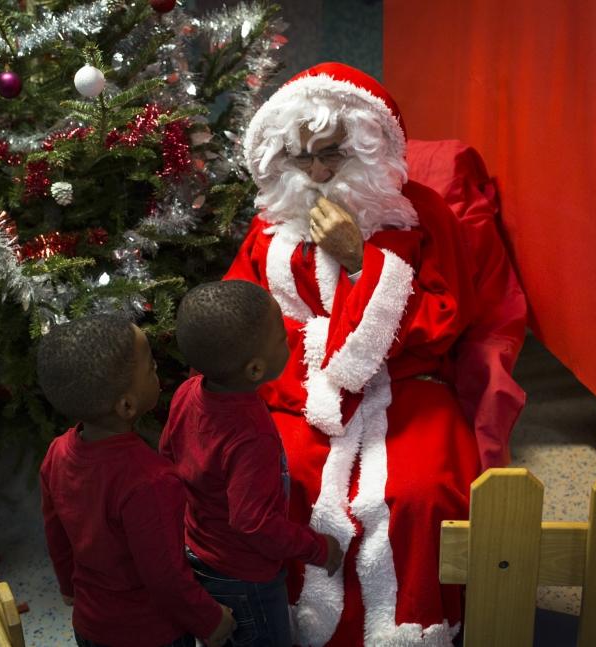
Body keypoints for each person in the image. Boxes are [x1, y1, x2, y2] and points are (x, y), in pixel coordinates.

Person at [224, 62, 490, 646]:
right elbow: (244, 325)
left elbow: (446, 319)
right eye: (301, 157)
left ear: (367, 148)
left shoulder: (419, 213)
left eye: (333, 154)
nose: (317, 172)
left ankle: (412, 631)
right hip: (292, 390)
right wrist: (307, 378)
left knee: (421, 493)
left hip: (409, 383)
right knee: (281, 481)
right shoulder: (267, 228)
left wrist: (357, 260)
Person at [160, 280, 344, 646]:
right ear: (256, 369)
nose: (288, 339)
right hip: (245, 578)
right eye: (281, 337)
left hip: (197, 548)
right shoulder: (250, 435)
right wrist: (319, 548)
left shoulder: (187, 392)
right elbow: (253, 523)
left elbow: (168, 460)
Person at [37, 314, 236, 647]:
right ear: (127, 405)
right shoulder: (152, 481)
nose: (157, 371)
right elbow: (166, 577)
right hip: (148, 633)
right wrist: (211, 620)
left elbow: (55, 532)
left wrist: (67, 588)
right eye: (151, 368)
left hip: (89, 624)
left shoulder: (57, 452)